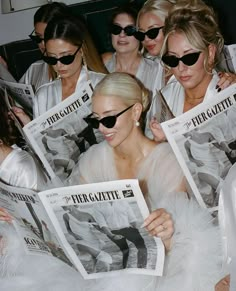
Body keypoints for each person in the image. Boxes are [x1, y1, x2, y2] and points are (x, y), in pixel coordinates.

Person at [68, 72, 223, 290]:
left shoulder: (166, 159)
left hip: (162, 269)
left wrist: (168, 229)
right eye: (95, 119)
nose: (102, 128)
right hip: (106, 263)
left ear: (135, 112)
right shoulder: (94, 158)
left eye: (109, 118)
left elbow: (180, 232)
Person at [147, 0, 236, 141]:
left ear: (211, 52)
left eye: (189, 57)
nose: (181, 68)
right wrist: (160, 144)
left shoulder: (229, 95)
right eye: (173, 59)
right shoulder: (166, 97)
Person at [13, 14, 107, 125]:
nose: (59, 65)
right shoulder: (44, 94)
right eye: (52, 58)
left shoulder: (102, 84)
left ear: (82, 50)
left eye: (66, 58)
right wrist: (29, 125)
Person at [102, 4, 163, 99]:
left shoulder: (156, 70)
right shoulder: (102, 65)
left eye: (130, 30)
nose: (122, 35)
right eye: (116, 29)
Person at [93, 200, 147, 269]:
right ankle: (125, 269)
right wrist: (112, 235)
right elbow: (103, 225)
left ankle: (142, 268)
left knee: (142, 248)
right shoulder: (97, 205)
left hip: (128, 229)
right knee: (125, 250)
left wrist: (136, 231)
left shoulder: (123, 201)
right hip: (113, 232)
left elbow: (132, 219)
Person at [62, 205, 112, 273]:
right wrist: (74, 235)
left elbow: (98, 228)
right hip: (79, 240)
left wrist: (109, 232)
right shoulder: (65, 216)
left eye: (64, 204)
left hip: (92, 238)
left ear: (71, 204)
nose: (62, 206)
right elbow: (68, 230)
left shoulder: (87, 215)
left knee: (94, 257)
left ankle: (97, 270)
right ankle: (106, 260)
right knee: (94, 254)